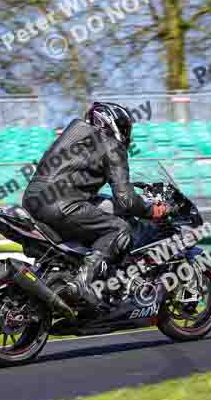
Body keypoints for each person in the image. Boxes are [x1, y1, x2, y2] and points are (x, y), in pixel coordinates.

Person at [22, 102, 170, 310]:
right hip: (61, 203)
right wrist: (151, 210)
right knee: (120, 229)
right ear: (113, 125)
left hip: (32, 200)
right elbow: (126, 199)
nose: (128, 135)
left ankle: (67, 278)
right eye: (126, 128)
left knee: (98, 217)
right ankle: (83, 282)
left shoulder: (71, 136)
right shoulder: (111, 145)